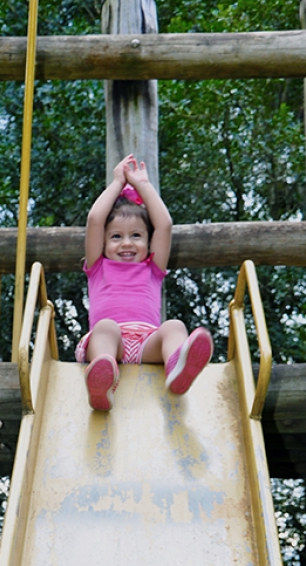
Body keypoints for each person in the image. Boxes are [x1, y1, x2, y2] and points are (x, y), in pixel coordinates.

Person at [78, 153, 214, 411]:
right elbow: (95, 219)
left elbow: (164, 225)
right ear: (103, 243)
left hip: (146, 343)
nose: (126, 243)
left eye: (136, 235)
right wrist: (117, 183)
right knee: (106, 327)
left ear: (149, 241)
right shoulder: (98, 266)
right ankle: (103, 380)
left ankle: (177, 369)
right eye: (116, 236)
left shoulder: (152, 268)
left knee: (174, 326)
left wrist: (143, 185)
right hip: (112, 343)